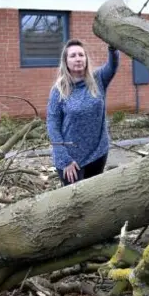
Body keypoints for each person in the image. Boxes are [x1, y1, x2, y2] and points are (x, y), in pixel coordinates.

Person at [46, 39, 120, 186]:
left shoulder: (98, 79)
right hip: (70, 159)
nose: (78, 58)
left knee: (94, 195)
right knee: (75, 202)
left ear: (86, 59)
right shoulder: (58, 90)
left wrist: (113, 47)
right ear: (66, 61)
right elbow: (52, 124)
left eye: (81, 55)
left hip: (98, 152)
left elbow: (113, 65)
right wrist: (64, 158)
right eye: (73, 56)